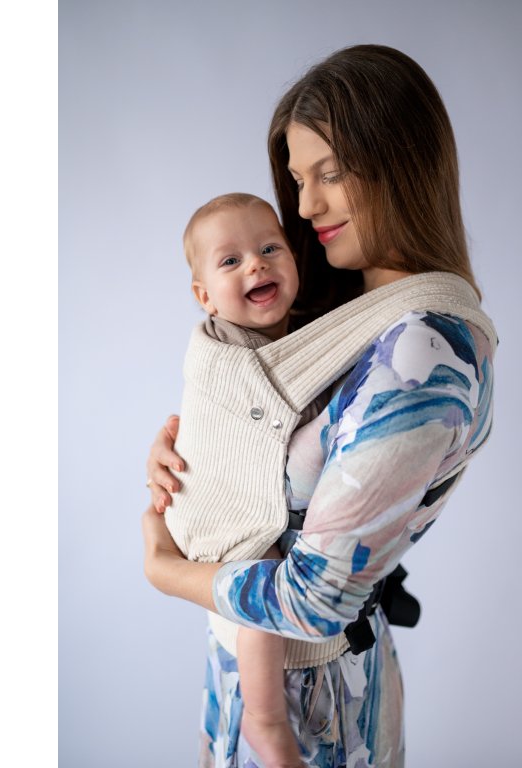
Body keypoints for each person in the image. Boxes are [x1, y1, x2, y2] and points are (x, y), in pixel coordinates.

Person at [142, 44, 497, 766]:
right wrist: (189, 453)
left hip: (313, 707)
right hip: (257, 670)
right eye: (300, 180)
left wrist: (164, 568)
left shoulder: (419, 355)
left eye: (329, 173)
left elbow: (312, 601)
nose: (304, 207)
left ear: (400, 163)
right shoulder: (344, 314)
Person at [171, 190, 328, 768]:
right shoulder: (220, 350)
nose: (256, 266)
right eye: (231, 260)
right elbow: (214, 424)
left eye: (269, 249)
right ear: (204, 297)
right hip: (220, 508)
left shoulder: (307, 337)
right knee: (259, 582)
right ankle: (264, 718)